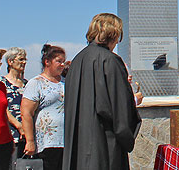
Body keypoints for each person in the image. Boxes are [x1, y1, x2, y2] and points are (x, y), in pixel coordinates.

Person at [63, 12, 141, 170]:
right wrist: (127, 135)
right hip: (103, 144)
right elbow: (119, 107)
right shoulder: (110, 61)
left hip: (79, 143)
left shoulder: (77, 61)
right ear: (114, 34)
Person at [21, 44, 67, 170]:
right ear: (47, 62)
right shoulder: (36, 83)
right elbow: (26, 113)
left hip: (65, 141)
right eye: (59, 61)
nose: (62, 65)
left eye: (63, 62)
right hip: (46, 142)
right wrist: (30, 141)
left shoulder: (65, 82)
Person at [0, 48, 27, 159]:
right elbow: (2, 107)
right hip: (10, 133)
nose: (24, 62)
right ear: (10, 61)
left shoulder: (27, 84)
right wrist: (18, 125)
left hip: (26, 134)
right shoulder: (1, 83)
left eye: (25, 59)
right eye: (21, 59)